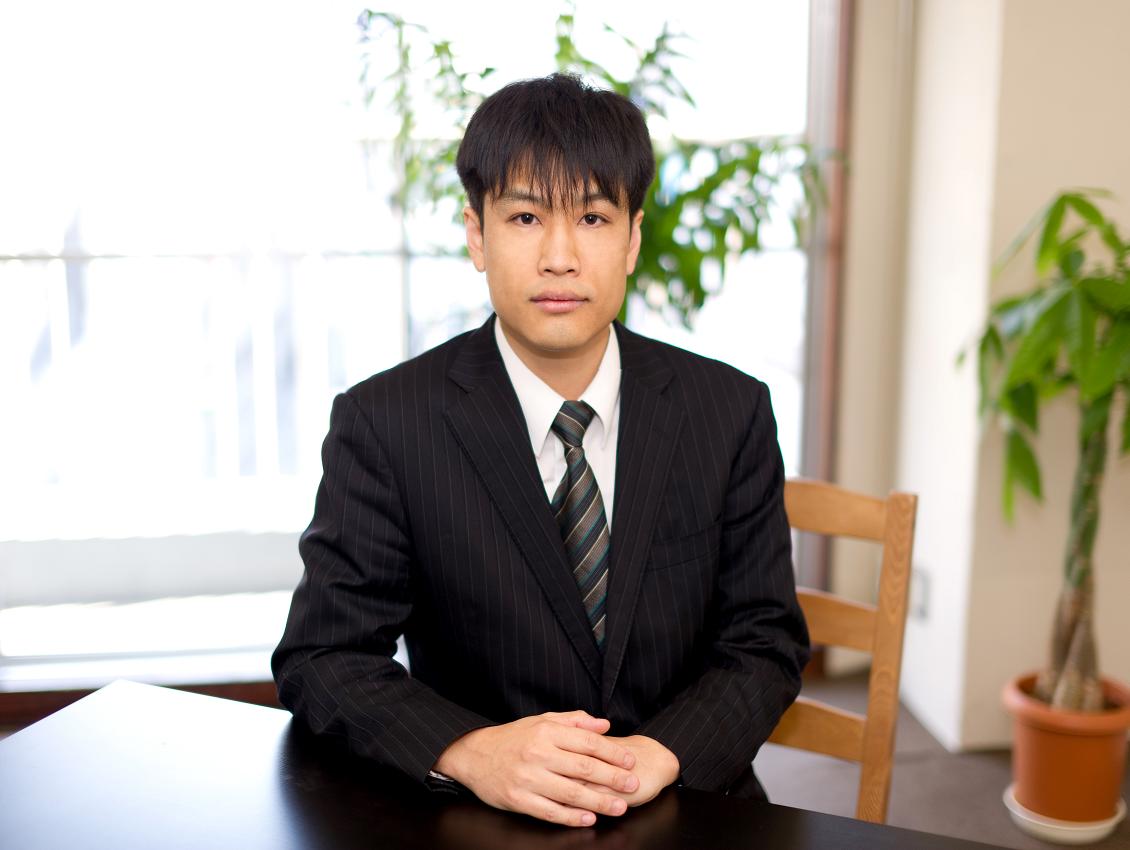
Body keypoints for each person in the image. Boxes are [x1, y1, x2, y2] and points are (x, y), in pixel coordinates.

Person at [272, 72, 810, 829]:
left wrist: (661, 754)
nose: (560, 256)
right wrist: (469, 750)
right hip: (481, 816)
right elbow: (324, 658)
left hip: (685, 805)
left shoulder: (729, 410)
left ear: (632, 239)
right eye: (525, 217)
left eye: (592, 217)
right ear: (476, 235)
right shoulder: (385, 423)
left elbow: (764, 640)